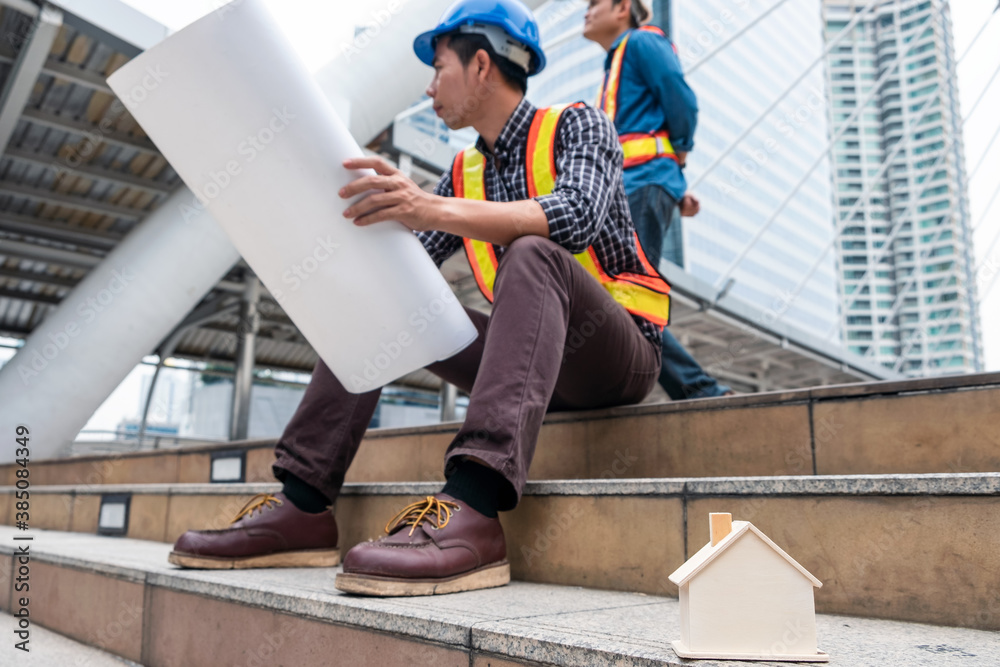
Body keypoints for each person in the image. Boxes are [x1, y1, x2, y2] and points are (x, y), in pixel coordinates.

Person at [167, 0, 671, 598]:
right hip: (537, 365)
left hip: (614, 358)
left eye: (439, 69)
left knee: (534, 252)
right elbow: (402, 267)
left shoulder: (579, 124)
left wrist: (425, 206)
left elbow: (576, 217)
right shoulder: (464, 173)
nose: (429, 87)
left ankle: (476, 508)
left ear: (481, 65)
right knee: (388, 300)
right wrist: (327, 219)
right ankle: (302, 505)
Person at [583, 0, 732, 400]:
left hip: (643, 183)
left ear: (622, 8)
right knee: (617, 293)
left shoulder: (643, 43)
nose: (585, 11)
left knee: (628, 293)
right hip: (636, 186)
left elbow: (680, 98)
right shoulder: (616, 62)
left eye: (594, 3)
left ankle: (700, 391)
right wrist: (676, 186)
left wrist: (679, 155)